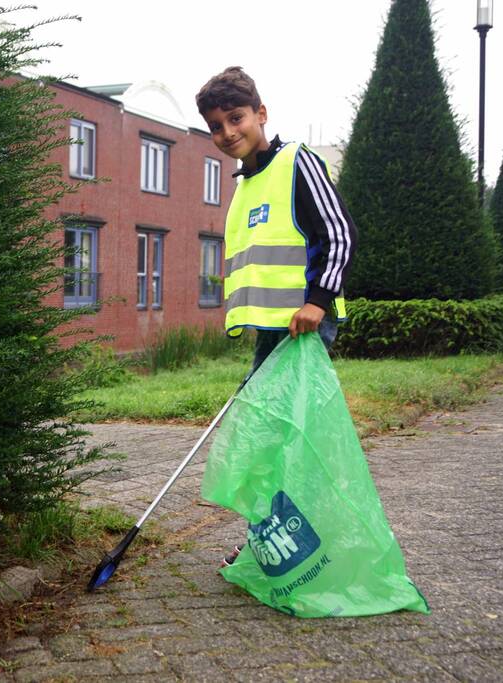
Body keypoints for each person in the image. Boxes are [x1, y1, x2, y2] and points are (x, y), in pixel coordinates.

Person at [196, 66, 358, 567]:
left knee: (285, 438)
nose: (227, 133)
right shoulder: (246, 187)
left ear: (261, 114)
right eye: (216, 126)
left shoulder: (296, 163)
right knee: (270, 436)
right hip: (272, 333)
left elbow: (338, 236)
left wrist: (317, 301)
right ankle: (276, 540)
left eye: (236, 118)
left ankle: (296, 546)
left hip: (302, 328)